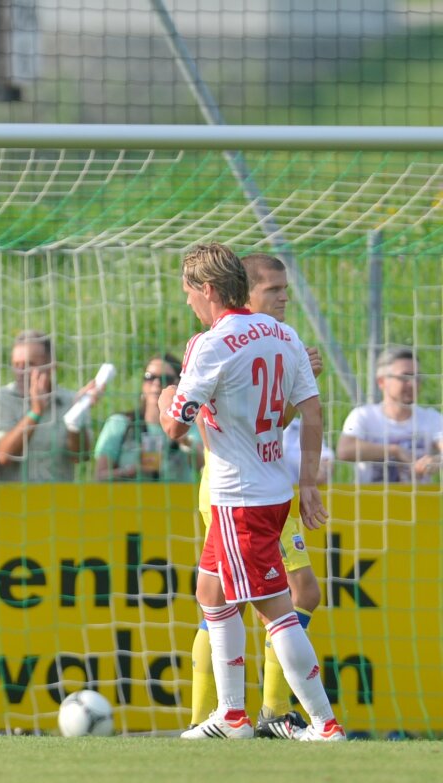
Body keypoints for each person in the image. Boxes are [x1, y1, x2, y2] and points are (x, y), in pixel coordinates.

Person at [159, 242, 344, 742]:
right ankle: (232, 715)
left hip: (241, 497)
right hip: (262, 489)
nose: (189, 302)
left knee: (276, 609)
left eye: (190, 293)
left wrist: (162, 398)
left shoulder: (211, 343)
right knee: (211, 595)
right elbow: (311, 411)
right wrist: (307, 482)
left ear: (209, 290)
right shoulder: (284, 336)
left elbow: (176, 428)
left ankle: (325, 725)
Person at [0, 330, 100, 482]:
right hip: (13, 502)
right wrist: (35, 412)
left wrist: (76, 415)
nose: (20, 372)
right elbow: (3, 456)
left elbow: (80, 456)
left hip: (57, 502)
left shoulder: (70, 401)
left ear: (51, 366)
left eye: (29, 364)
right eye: (16, 365)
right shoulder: (2, 399)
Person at [336, 346, 443, 483]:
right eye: (405, 377)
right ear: (382, 382)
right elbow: (345, 450)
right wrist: (394, 451)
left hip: (419, 502)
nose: (413, 384)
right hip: (371, 502)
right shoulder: (363, 416)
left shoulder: (430, 418)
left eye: (417, 377)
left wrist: (436, 461)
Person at [93, 353, 201, 482]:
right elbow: (99, 477)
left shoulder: (188, 426)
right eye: (150, 377)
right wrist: (132, 470)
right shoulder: (120, 423)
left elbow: (204, 464)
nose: (156, 384)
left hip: (179, 500)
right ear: (143, 383)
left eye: (165, 379)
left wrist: (185, 441)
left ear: (178, 385)